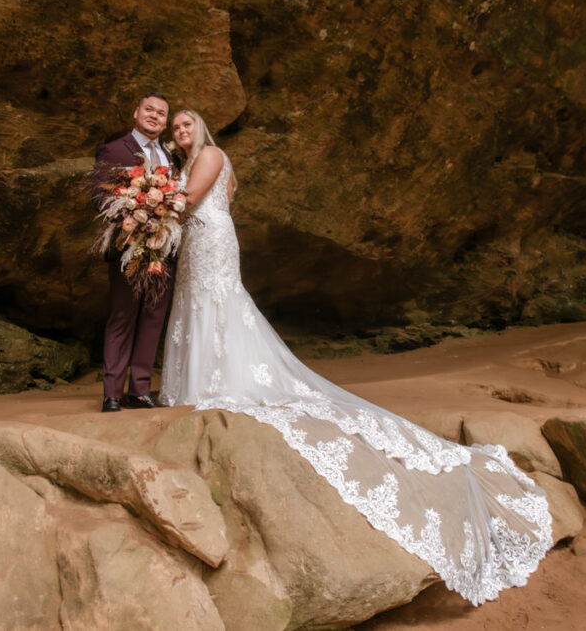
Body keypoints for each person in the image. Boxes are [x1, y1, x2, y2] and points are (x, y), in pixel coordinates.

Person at [159, 109, 554, 605]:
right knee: (195, 304)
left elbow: (192, 200)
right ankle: (197, 381)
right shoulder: (185, 162)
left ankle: (220, 379)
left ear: (200, 129)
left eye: (185, 124)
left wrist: (149, 201)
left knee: (217, 304)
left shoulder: (211, 154)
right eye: (175, 127)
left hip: (210, 235)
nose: (180, 131)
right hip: (196, 240)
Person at [93, 92, 180, 412]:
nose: (155, 116)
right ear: (136, 113)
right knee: (122, 317)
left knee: (154, 316)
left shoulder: (171, 157)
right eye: (149, 110)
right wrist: (133, 216)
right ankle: (112, 393)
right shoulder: (114, 149)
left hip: (163, 248)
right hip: (127, 245)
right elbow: (100, 198)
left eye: (161, 113)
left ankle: (140, 390)